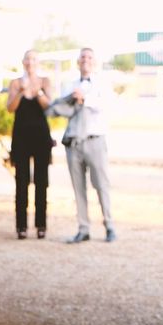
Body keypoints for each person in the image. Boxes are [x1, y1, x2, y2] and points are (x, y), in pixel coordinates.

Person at [52, 48, 116, 244]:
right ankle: (83, 228)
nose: (85, 60)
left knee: (101, 185)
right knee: (78, 188)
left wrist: (84, 98)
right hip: (73, 142)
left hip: (95, 140)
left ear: (94, 62)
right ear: (78, 62)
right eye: (82, 58)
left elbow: (104, 104)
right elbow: (60, 108)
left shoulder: (102, 84)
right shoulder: (69, 85)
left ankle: (109, 225)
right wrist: (71, 99)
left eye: (89, 57)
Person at [7, 49, 53, 240]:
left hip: (41, 138)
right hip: (21, 138)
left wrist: (38, 92)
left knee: (41, 182)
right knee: (21, 182)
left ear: (38, 62)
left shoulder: (45, 81)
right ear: (23, 62)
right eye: (27, 59)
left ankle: (41, 225)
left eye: (34, 59)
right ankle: (21, 226)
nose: (30, 62)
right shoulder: (15, 83)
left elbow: (49, 106)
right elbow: (10, 108)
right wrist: (21, 92)